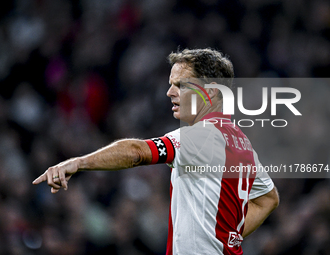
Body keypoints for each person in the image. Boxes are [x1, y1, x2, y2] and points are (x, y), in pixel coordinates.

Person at [33, 48, 279, 255]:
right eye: (171, 85)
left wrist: (79, 162)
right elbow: (269, 199)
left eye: (181, 85)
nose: (170, 93)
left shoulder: (200, 136)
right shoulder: (242, 143)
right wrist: (228, 237)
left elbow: (136, 152)